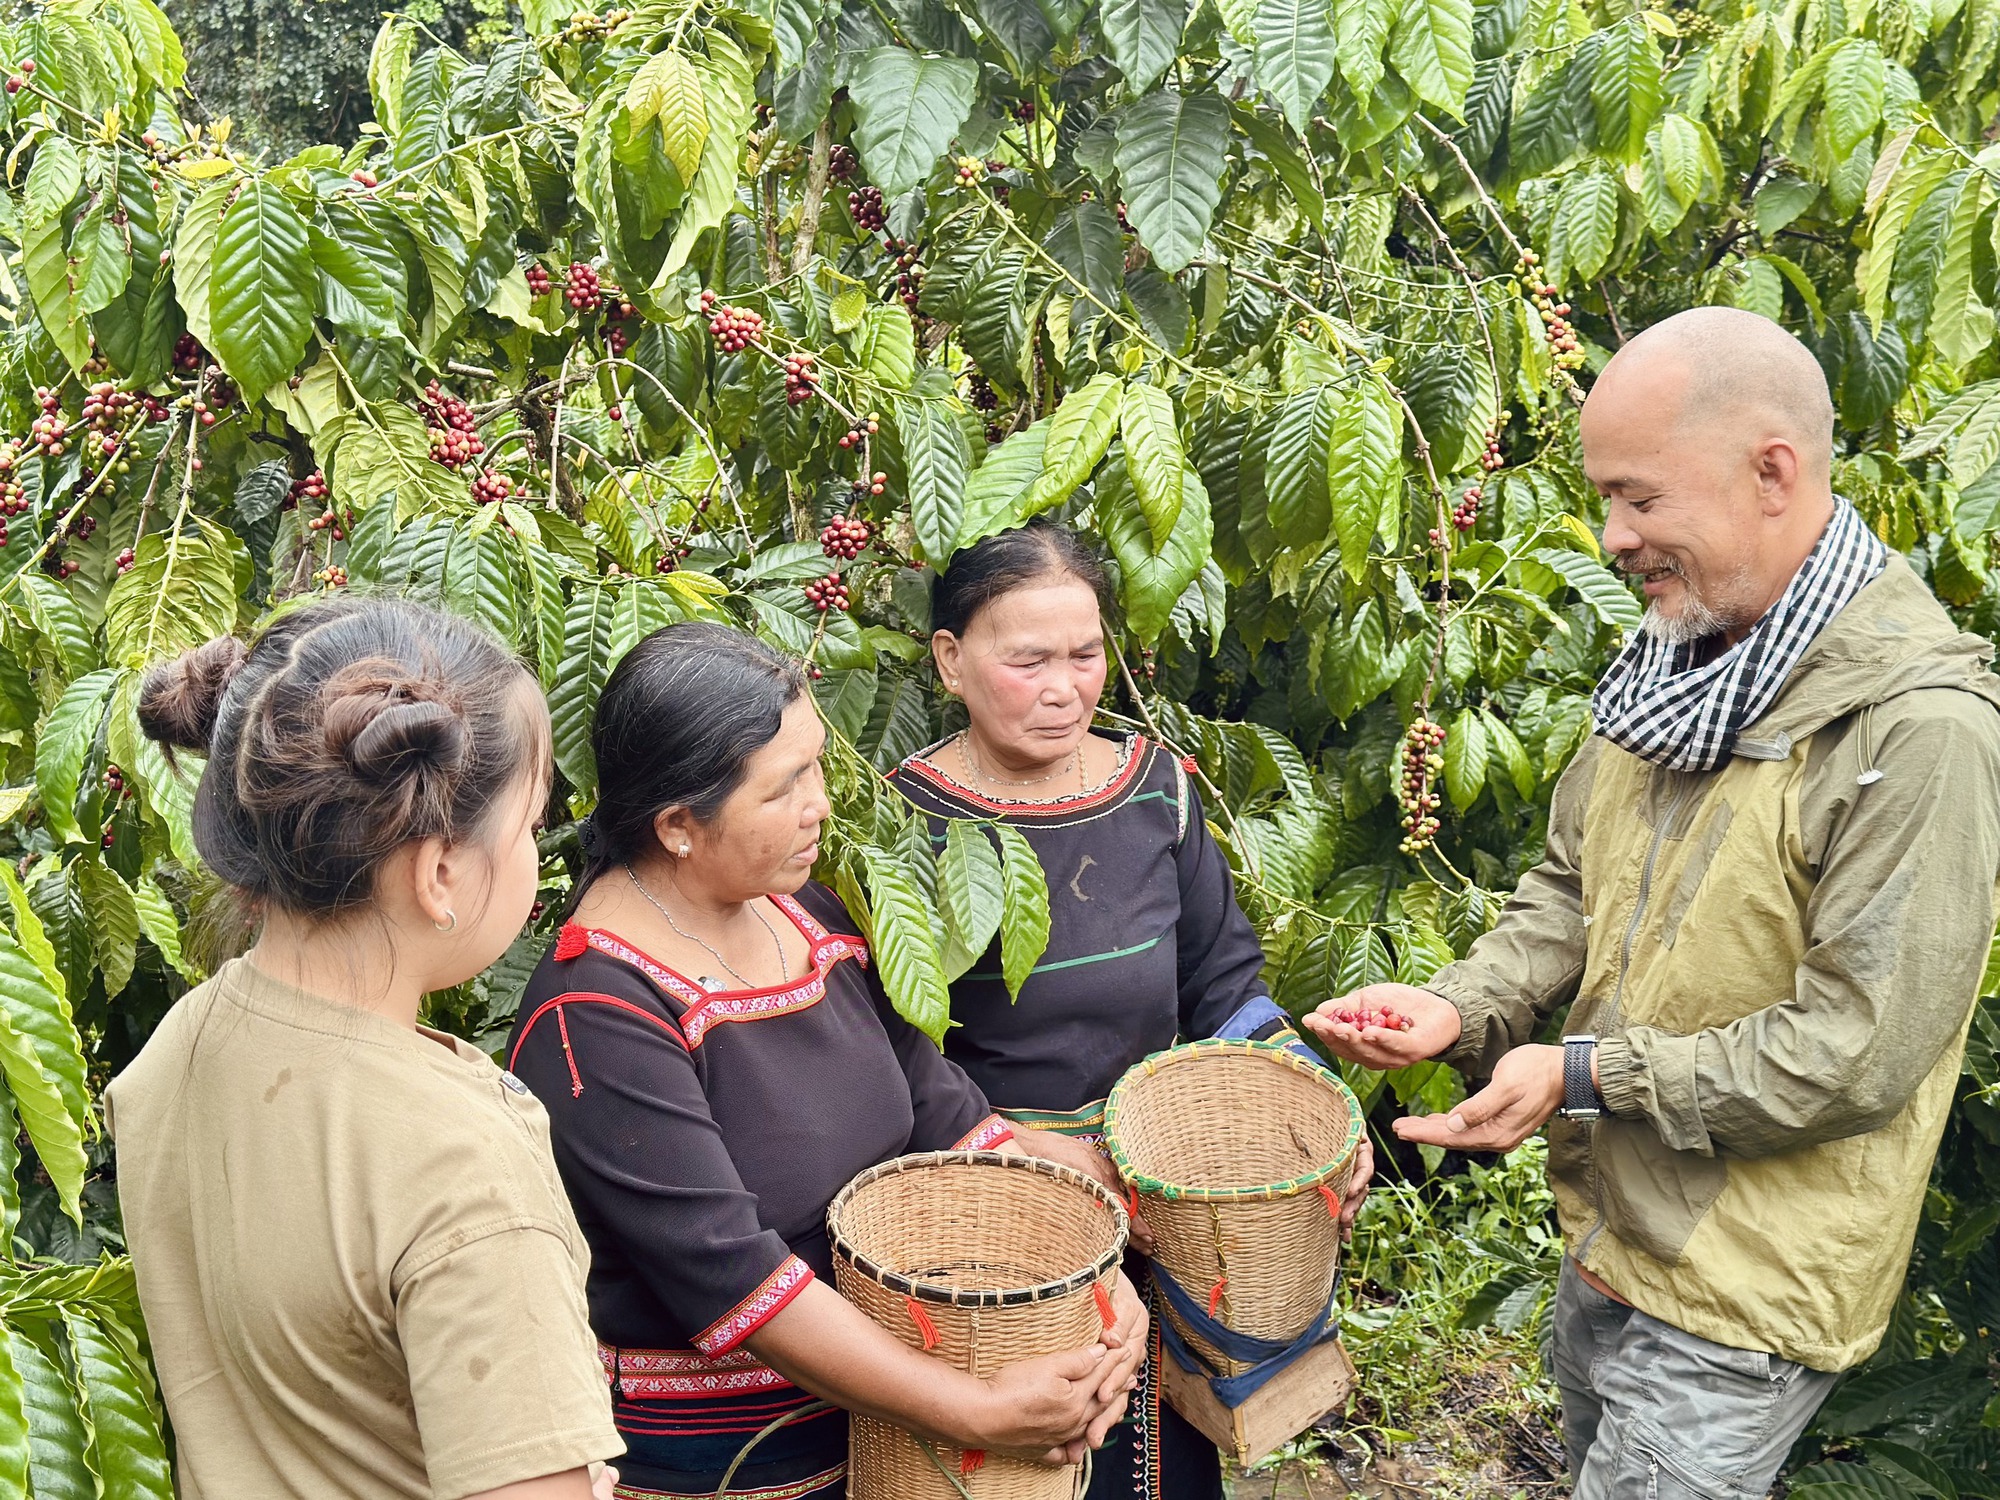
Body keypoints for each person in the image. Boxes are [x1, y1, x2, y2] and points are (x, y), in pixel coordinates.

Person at [1305, 306, 2000, 1498]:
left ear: (1769, 472)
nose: (1612, 536)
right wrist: (1458, 1007)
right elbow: (1573, 888)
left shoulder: (1914, 729)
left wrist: (1581, 1076)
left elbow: (1854, 1054)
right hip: (1612, 1225)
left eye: (1638, 498)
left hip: (1743, 1288)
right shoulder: (1678, 660)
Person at [507, 622, 1147, 1500]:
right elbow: (737, 1279)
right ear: (678, 825)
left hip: (892, 1423)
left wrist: (1100, 1292)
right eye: (783, 787)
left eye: (815, 766)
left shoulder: (804, 910)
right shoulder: (597, 1013)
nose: (820, 804)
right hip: (739, 1465)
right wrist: (972, 1410)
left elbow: (945, 1115)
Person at [888, 520, 1374, 1500]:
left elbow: (1226, 988)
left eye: (1084, 654)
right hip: (997, 1225)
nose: (1065, 686)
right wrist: (1020, 1147)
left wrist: (1313, 1114)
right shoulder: (903, 824)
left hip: (1171, 1208)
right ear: (950, 660)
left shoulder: (1153, 785)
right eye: (1027, 660)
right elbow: (885, 1047)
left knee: (1159, 1465)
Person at [107, 599, 622, 1500]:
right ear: (439, 873)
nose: (538, 856)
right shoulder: (461, 1162)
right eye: (531, 827)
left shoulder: (181, 1044)